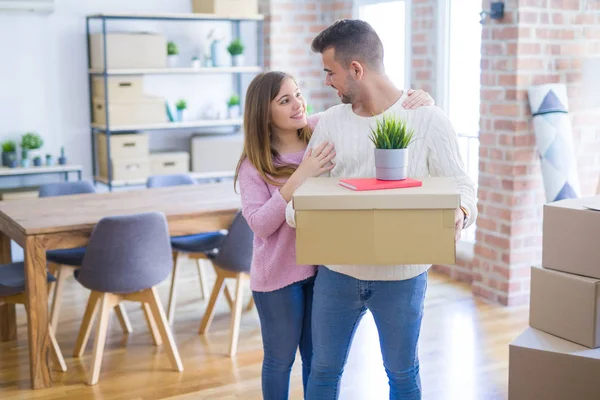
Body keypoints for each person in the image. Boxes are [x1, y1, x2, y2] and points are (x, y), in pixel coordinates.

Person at [284, 20, 478, 400]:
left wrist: (460, 212)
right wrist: (304, 214)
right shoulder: (332, 124)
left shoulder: (427, 119)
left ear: (356, 69)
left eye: (330, 71)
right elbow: (300, 200)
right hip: (337, 276)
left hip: (403, 278)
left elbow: (462, 187)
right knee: (323, 370)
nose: (326, 81)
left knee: (402, 374)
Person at [234, 70, 435, 400]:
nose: (298, 104)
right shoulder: (253, 166)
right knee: (279, 360)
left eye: (297, 94)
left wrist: (420, 100)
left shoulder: (318, 129)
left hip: (320, 269)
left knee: (318, 362)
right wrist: (301, 175)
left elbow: (372, 107)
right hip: (278, 278)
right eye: (285, 100)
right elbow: (259, 225)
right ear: (263, 113)